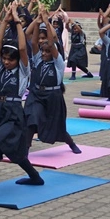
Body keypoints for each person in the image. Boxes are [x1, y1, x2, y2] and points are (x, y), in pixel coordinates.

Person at [0, 1, 43, 204]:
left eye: (10, 59)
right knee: (15, 153)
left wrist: (18, 23)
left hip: (13, 112)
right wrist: (4, 20)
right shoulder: (0, 67)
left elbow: (22, 48)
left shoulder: (23, 70)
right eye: (4, 58)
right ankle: (35, 177)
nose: (6, 61)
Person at [25, 11, 81, 154]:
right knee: (32, 119)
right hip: (37, 95)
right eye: (42, 51)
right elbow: (33, 42)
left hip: (53, 97)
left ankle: (71, 143)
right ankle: (25, 149)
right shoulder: (38, 59)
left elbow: (51, 44)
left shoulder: (58, 63)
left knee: (57, 127)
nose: (44, 53)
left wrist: (47, 22)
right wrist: (37, 23)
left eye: (47, 52)